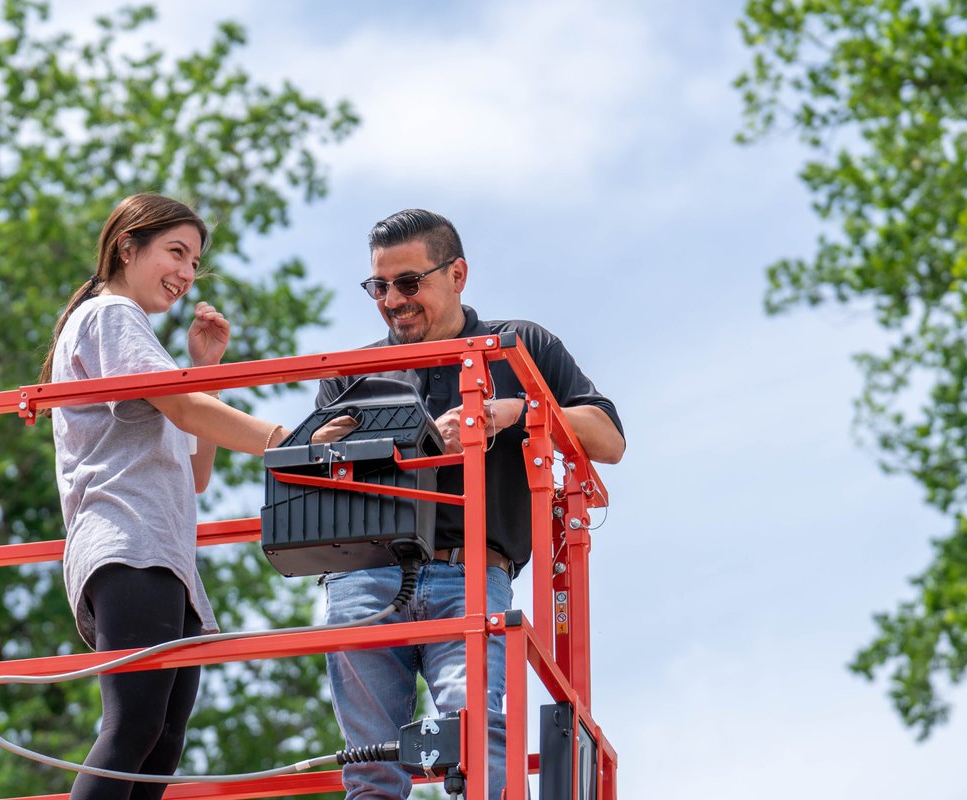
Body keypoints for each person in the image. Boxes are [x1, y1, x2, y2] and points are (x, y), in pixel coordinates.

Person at [314, 209, 625, 800]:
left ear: (457, 273)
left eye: (409, 283)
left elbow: (608, 438)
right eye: (378, 286)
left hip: (472, 571)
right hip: (363, 577)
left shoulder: (519, 348)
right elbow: (311, 477)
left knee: (478, 741)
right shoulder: (351, 374)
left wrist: (514, 411)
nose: (392, 301)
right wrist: (325, 447)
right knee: (369, 769)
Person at [38, 193, 289, 799]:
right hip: (128, 538)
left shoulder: (136, 341)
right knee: (135, 727)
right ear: (128, 247)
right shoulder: (112, 315)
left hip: (162, 550)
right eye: (175, 252)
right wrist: (290, 440)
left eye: (195, 262)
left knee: (161, 744)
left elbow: (195, 471)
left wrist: (204, 368)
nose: (186, 273)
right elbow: (181, 407)